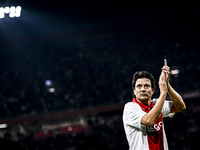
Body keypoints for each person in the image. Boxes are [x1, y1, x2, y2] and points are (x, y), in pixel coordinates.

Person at [122, 65, 186, 150]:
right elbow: (149, 120)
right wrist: (163, 93)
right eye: (139, 86)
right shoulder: (130, 107)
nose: (143, 89)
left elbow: (181, 107)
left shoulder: (157, 103)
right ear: (134, 91)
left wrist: (167, 85)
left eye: (146, 86)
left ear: (152, 90)